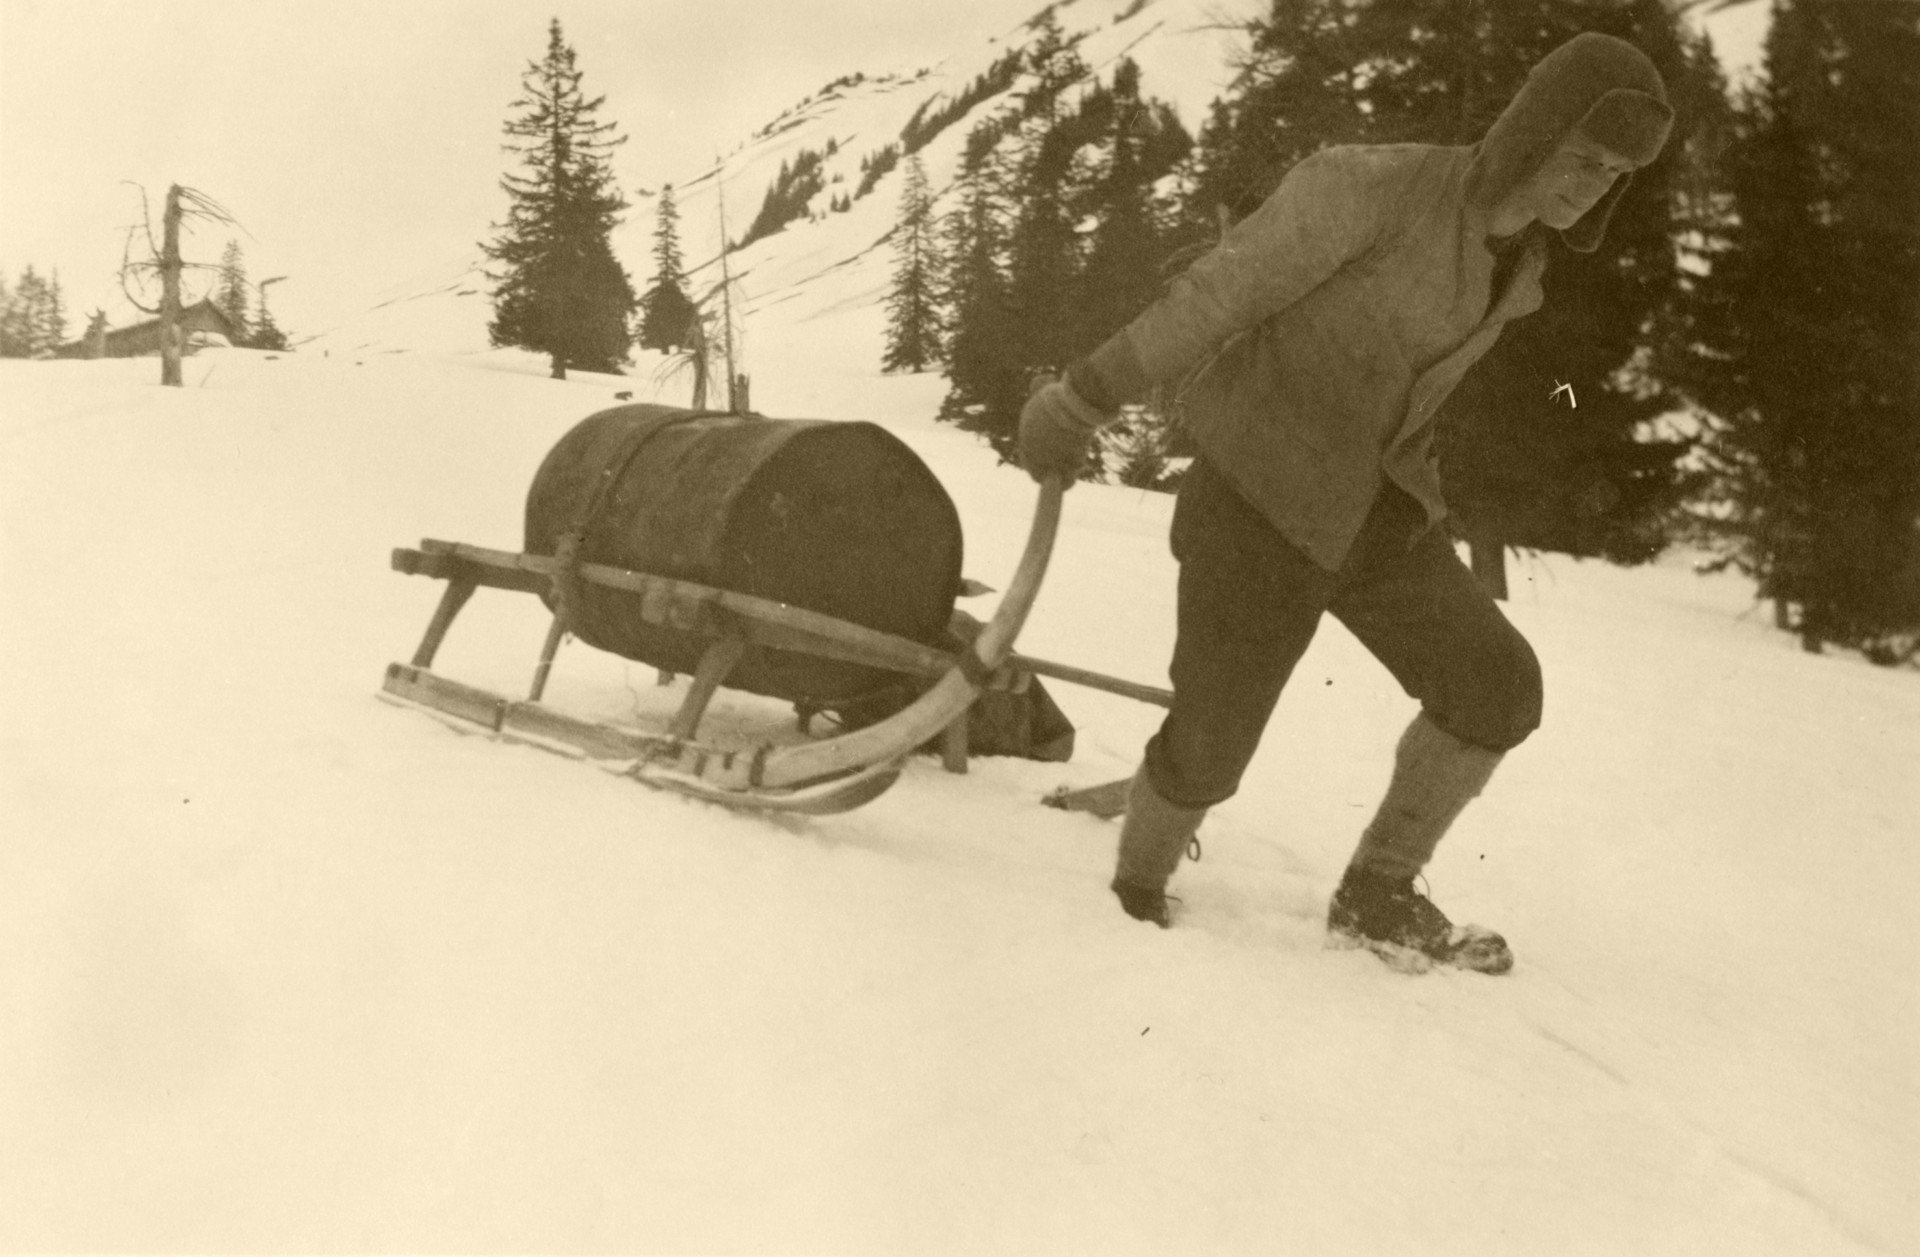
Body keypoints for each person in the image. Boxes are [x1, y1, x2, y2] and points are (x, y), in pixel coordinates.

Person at [1018, 32, 1674, 974]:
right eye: (1581, 157)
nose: (1591, 185)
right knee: (1210, 752)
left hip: (1378, 516)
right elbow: (1215, 298)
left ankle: (1377, 893)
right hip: (1257, 494)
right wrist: (1083, 394)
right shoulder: (1369, 188)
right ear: (1531, 135)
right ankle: (1135, 893)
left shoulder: (1521, 263)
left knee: (1497, 685)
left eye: (1612, 175)